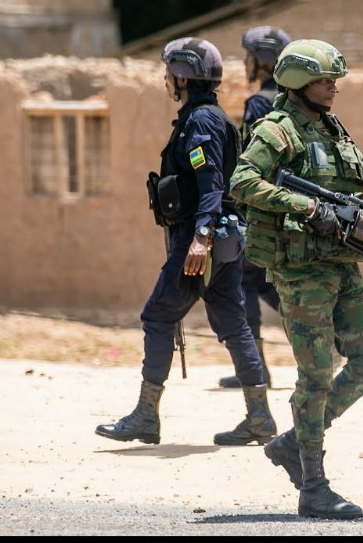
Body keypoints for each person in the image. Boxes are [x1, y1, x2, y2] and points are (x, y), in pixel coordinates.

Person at [229, 39, 363, 520]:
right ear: (299, 81)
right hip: (301, 270)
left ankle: (293, 442)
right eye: (325, 80)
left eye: (334, 80)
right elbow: (242, 181)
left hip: (342, 266)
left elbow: (358, 212)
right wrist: (305, 206)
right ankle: (313, 485)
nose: (333, 88)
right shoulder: (277, 130)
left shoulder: (335, 132)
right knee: (317, 374)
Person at [95, 37, 277, 447]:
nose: (165, 79)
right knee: (234, 324)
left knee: (158, 316)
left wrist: (200, 238)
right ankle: (260, 417)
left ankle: (145, 417)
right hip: (223, 237)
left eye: (168, 73)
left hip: (201, 239)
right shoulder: (210, 117)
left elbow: (211, 184)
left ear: (182, 76)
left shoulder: (201, 122)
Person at [217, 26, 292, 390]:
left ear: (264, 60)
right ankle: (332, 340)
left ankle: (254, 367)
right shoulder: (294, 102)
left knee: (243, 280)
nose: (245, 63)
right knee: (266, 282)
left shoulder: (261, 103)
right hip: (289, 209)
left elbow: (252, 162)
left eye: (249, 57)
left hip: (260, 208)